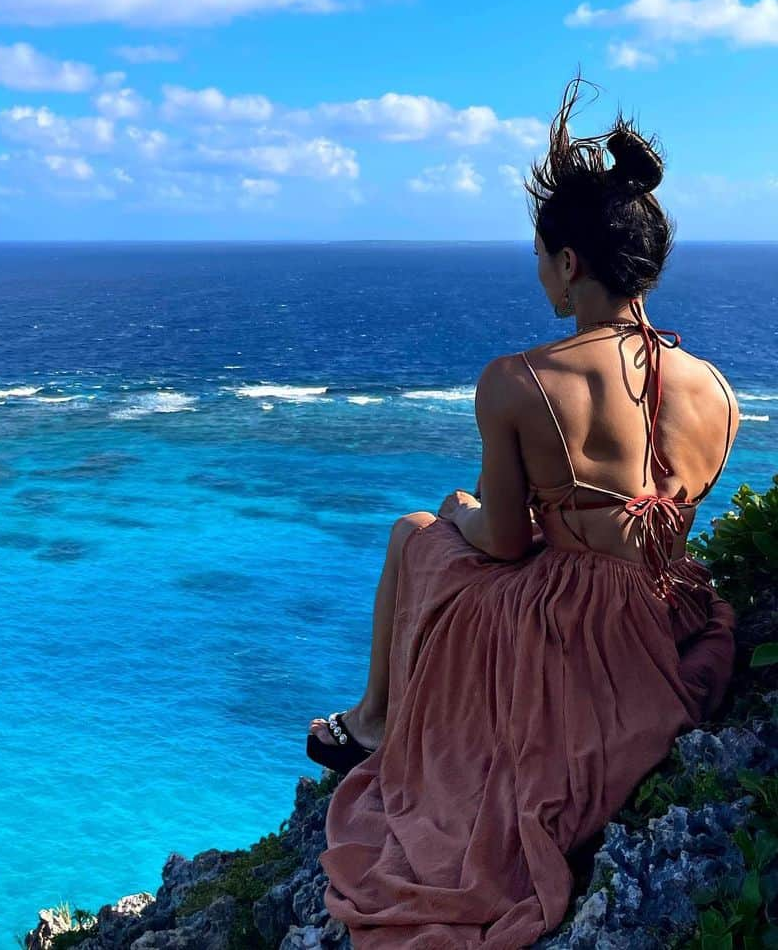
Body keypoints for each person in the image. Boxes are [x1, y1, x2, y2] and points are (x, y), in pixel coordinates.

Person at [307, 75, 740, 949]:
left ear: (569, 262)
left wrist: (461, 514)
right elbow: (645, 520)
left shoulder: (519, 380)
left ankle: (373, 723)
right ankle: (374, 719)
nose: (540, 272)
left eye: (542, 257)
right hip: (663, 615)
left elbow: (505, 545)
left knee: (416, 530)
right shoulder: (721, 392)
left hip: (571, 629)